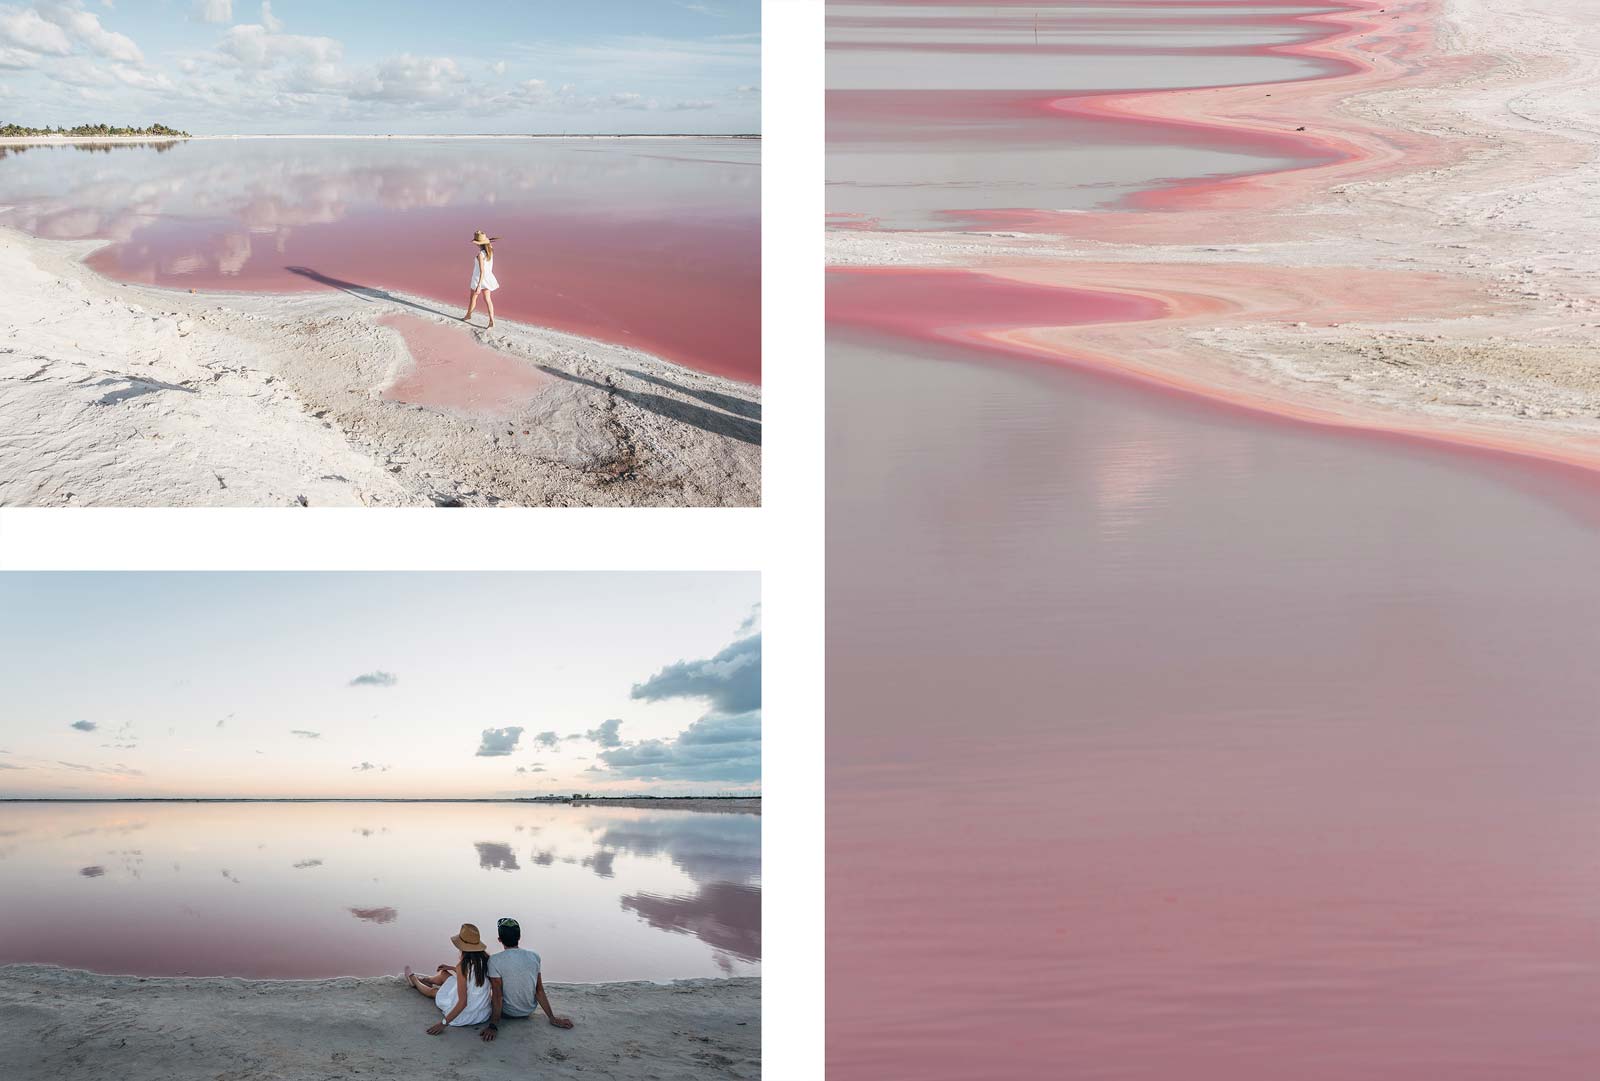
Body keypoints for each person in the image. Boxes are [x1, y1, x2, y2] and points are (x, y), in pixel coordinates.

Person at [479, 915, 574, 1041]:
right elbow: (539, 990)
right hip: (528, 1010)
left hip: (507, 1013)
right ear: (519, 937)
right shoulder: (534, 956)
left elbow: (498, 995)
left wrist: (493, 1025)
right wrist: (552, 1018)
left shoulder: (494, 960)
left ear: (499, 939)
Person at [404, 923, 494, 1034]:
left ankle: (415, 981)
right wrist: (451, 968)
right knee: (444, 973)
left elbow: (463, 1003)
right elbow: (473, 975)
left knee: (435, 992)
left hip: (466, 1015)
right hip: (482, 1013)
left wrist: (443, 1023)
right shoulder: (488, 960)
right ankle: (427, 980)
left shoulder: (462, 967)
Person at [463, 229, 500, 328]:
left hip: (478, 278)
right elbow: (489, 244)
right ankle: (491, 321)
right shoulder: (490, 250)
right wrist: (487, 241)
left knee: (473, 298)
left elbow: (481, 271)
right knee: (488, 300)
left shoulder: (480, 255)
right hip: (488, 278)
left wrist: (479, 285)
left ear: (478, 243)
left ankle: (468, 315)